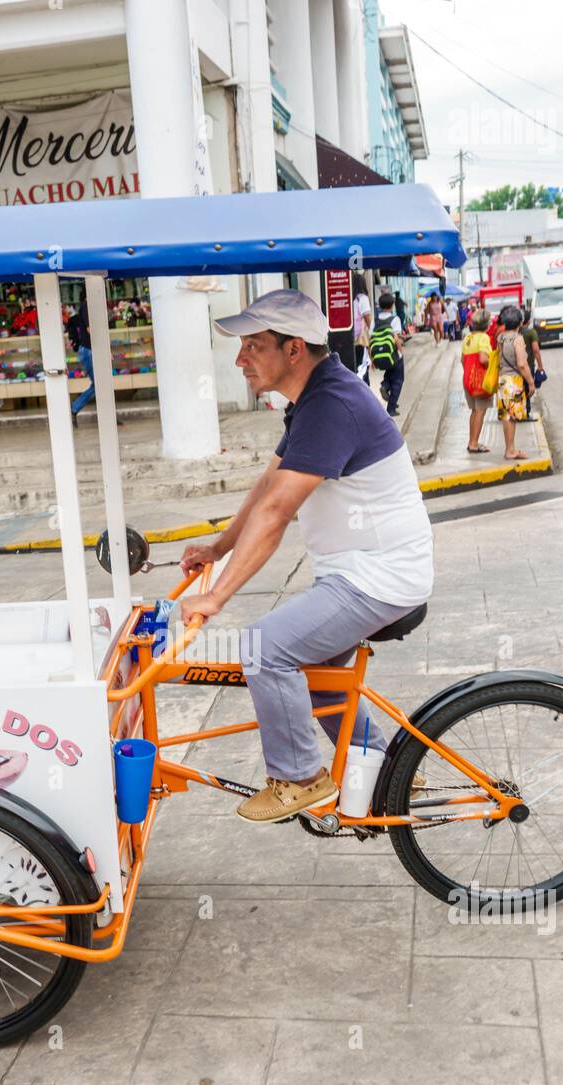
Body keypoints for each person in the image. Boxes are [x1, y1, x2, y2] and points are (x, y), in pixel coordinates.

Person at [177, 289, 433, 825]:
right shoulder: (314, 399)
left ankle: (299, 778)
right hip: (360, 573)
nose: (240, 359)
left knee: (264, 649)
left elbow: (276, 513)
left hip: (377, 578)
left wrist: (216, 597)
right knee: (315, 673)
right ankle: (387, 768)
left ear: (294, 350)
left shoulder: (332, 405)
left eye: (253, 346)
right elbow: (269, 482)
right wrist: (218, 549)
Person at [496, 305, 536, 461]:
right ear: (520, 322)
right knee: (512, 418)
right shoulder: (518, 339)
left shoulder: (501, 337)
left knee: (507, 417)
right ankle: (510, 450)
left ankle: (509, 448)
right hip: (514, 380)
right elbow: (521, 363)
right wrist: (531, 382)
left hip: (503, 379)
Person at [461, 307, 494, 454]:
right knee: (480, 411)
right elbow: (483, 358)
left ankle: (471, 441)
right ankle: (474, 444)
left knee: (474, 411)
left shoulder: (467, 338)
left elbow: (462, 360)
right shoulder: (483, 338)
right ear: (487, 325)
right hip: (480, 380)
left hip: (467, 379)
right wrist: (491, 364)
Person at [369, 290, 404, 417]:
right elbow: (396, 338)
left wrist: (372, 359)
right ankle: (391, 408)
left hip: (379, 356)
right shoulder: (395, 319)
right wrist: (400, 352)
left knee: (390, 373)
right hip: (393, 355)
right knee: (398, 380)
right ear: (392, 305)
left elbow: (371, 340)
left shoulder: (375, 320)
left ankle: (385, 385)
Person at [69, 289, 95, 427]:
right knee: (99, 385)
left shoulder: (86, 307)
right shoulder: (86, 306)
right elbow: (90, 329)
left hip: (88, 350)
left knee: (100, 385)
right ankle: (73, 409)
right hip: (88, 351)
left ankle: (110, 417)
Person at [520, 308, 544, 420]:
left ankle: (518, 411)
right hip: (528, 365)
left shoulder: (515, 332)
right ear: (528, 320)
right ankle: (526, 412)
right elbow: (535, 350)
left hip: (515, 367)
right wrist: (540, 366)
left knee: (519, 389)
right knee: (528, 388)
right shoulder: (531, 332)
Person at [351, 273, 372, 383]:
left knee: (352, 369)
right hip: (360, 339)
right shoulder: (362, 298)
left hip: (348, 338)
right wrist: (374, 334)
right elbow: (367, 318)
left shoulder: (349, 298)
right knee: (363, 367)